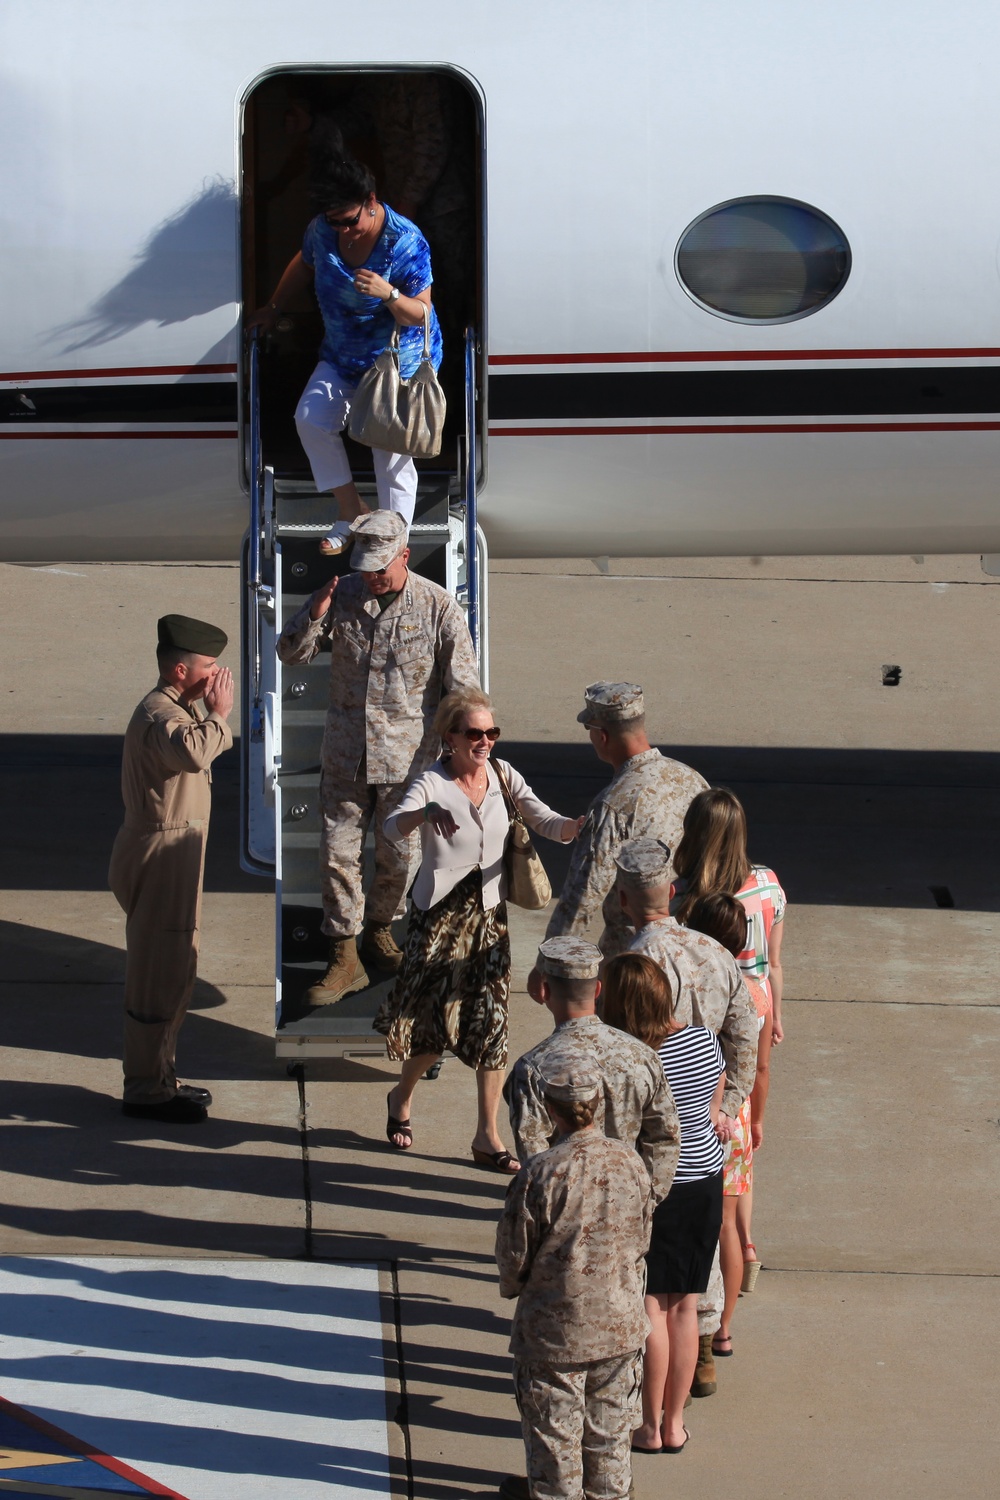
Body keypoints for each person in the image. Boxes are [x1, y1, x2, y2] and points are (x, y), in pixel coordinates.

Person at [276, 511, 479, 1004]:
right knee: (336, 854)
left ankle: (380, 930)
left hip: (408, 763)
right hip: (346, 755)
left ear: (404, 555)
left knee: (400, 857)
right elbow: (288, 653)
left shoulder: (438, 607)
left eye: (381, 566)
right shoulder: (342, 595)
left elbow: (464, 690)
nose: (373, 576)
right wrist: (315, 615)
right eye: (365, 566)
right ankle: (344, 956)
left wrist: (467, 758)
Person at [375, 691, 582, 1170]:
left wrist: (574, 826)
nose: (485, 741)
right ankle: (400, 1096)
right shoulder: (431, 782)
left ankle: (487, 1136)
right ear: (450, 737)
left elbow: (544, 819)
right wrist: (423, 815)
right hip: (438, 918)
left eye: (492, 732)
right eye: (474, 733)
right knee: (433, 1028)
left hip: (488, 918)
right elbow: (389, 827)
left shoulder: (503, 776)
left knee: (492, 1025)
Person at [248, 146, 444, 551]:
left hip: (395, 365)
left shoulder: (404, 241)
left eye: (350, 221)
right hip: (342, 355)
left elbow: (420, 313)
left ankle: (391, 545)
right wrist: (273, 307)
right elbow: (305, 262)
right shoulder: (324, 229)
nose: (343, 230)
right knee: (311, 419)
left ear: (371, 202)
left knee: (388, 454)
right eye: (334, 222)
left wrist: (388, 293)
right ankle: (351, 511)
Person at [495, 1062, 652, 1500]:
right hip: (619, 1326)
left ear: (550, 1109)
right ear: (599, 1103)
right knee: (610, 1441)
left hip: (554, 1334)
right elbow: (641, 1239)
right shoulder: (632, 1164)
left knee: (554, 1447)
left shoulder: (539, 1174)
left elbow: (513, 1259)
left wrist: (517, 1287)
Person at [108, 614, 234, 1124]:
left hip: (175, 852)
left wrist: (207, 712)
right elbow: (193, 751)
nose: (216, 675)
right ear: (181, 669)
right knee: (157, 973)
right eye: (209, 666)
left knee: (177, 966)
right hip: (160, 854)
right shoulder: (162, 715)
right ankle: (144, 1090)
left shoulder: (178, 706)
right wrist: (220, 715)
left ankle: (161, 1077)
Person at [602, 952, 725, 1455]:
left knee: (651, 1304)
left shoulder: (635, 1059)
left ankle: (648, 1427)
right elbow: (714, 1101)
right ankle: (675, 1424)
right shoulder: (703, 1040)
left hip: (660, 1186)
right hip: (706, 1183)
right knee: (686, 1306)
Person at [671, 786, 787, 1291]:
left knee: (702, 1123)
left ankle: (718, 1244)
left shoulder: (684, 894)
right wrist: (776, 1013)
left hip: (709, 1012)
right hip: (757, 1004)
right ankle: (746, 1243)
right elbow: (775, 962)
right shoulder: (767, 885)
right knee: (745, 1133)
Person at [505, 937, 681, 1204]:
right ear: (597, 989)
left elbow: (533, 1154)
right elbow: (664, 1136)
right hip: (627, 1208)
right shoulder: (643, 1056)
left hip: (565, 1216)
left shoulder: (533, 1068)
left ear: (544, 990)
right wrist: (646, 1201)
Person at [544, 682, 708, 958]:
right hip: (696, 946)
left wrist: (551, 959)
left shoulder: (613, 805)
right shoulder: (692, 780)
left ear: (602, 736)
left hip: (634, 957)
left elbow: (582, 896)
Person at [685, 893, 774, 1359]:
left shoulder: (691, 987)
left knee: (692, 1223)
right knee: (730, 1231)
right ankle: (723, 1330)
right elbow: (759, 1067)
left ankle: (690, 1319)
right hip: (734, 1119)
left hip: (698, 1109)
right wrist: (755, 1117)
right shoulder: (758, 992)